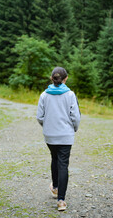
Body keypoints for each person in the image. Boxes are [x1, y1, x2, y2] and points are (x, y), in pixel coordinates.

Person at [36, 67, 81, 211]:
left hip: (50, 135)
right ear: (66, 78)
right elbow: (75, 117)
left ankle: (55, 187)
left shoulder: (44, 95)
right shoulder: (70, 94)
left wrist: (47, 126)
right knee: (63, 164)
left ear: (51, 78)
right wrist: (73, 128)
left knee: (54, 158)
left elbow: (39, 117)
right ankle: (61, 200)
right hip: (65, 135)